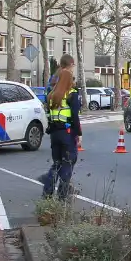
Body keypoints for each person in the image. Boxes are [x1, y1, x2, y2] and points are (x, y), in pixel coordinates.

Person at [40, 54, 82, 199]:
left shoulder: (52, 96)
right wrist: (79, 135)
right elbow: (75, 117)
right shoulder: (71, 94)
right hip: (67, 133)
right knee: (68, 163)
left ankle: (47, 192)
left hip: (54, 134)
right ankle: (63, 196)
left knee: (56, 163)